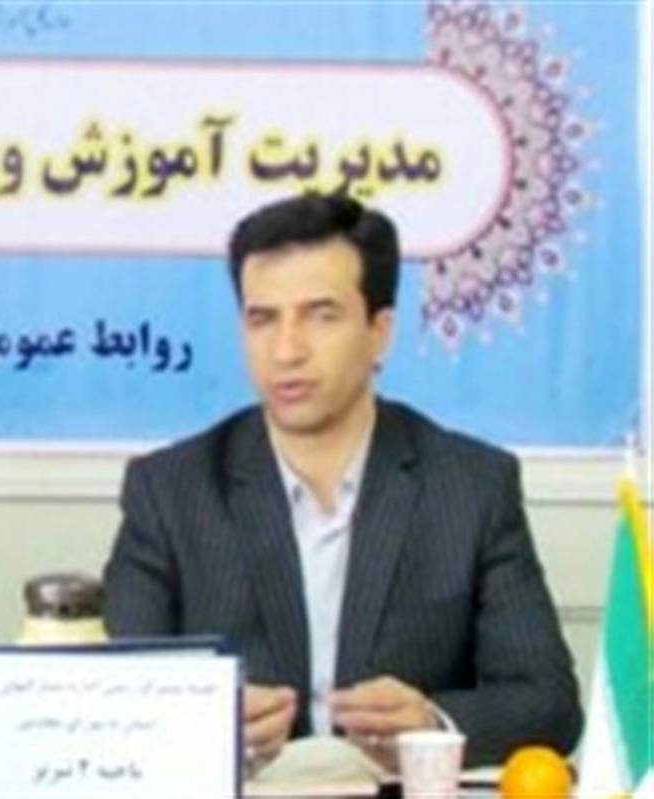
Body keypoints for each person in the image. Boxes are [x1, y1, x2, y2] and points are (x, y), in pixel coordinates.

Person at [102, 194, 582, 767]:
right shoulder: (170, 491)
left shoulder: (471, 485)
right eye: (263, 319)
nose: (287, 351)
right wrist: (203, 725)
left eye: (321, 315)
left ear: (380, 331)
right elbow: (117, 706)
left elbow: (548, 702)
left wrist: (432, 725)